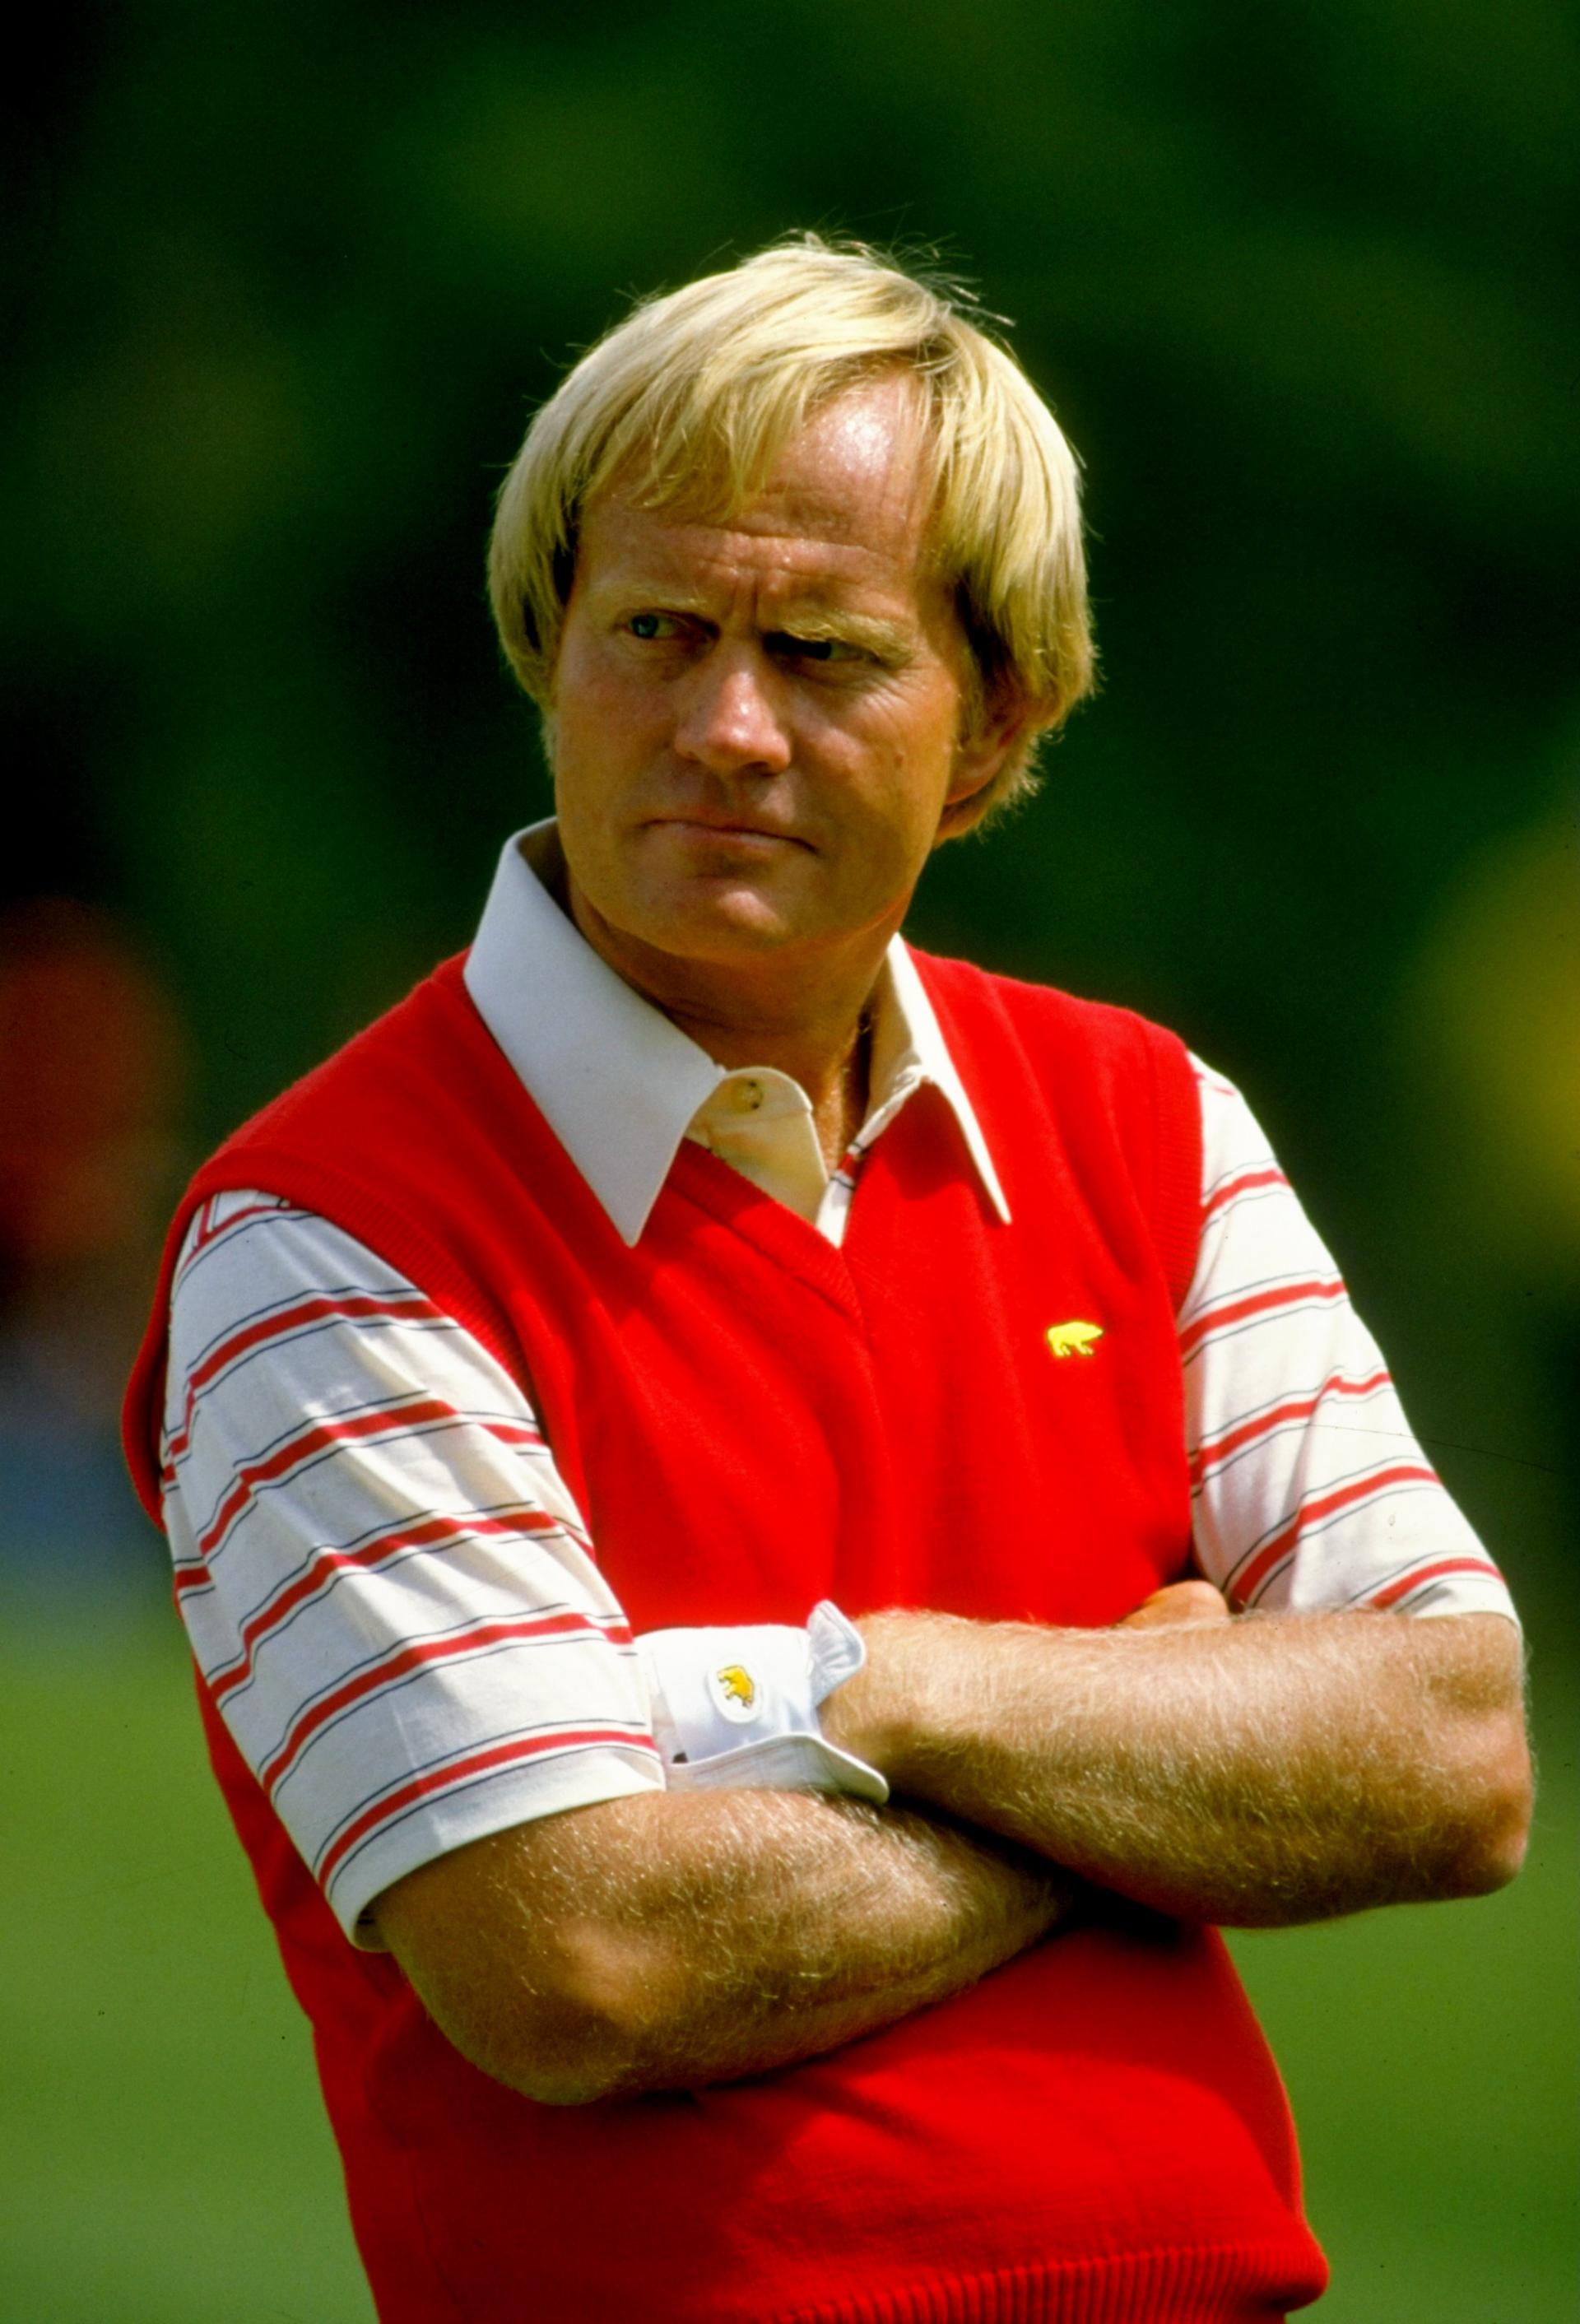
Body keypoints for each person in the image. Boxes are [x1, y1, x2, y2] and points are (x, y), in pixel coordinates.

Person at [123, 238, 1530, 2324]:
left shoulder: (1144, 1119)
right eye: (657, 630)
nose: (726, 727)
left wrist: (894, 1691)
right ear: (548, 649)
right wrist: (1139, 1740)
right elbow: (578, 1956)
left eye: (826, 653)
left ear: (993, 721)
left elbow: (1450, 1749)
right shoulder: (328, 1231)